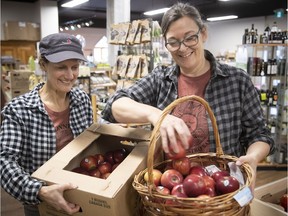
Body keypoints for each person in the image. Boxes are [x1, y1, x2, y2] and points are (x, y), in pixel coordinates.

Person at [101, 2, 274, 190]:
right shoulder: (160, 80)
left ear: (204, 34)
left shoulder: (237, 81)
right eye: (173, 42)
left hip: (224, 190)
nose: (182, 48)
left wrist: (254, 157)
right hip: (172, 193)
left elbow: (259, 134)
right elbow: (114, 106)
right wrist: (157, 116)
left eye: (190, 38)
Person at [0, 33, 93, 216]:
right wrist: (40, 191)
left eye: (75, 67)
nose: (70, 75)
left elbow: (90, 143)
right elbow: (4, 162)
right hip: (41, 204)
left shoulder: (82, 100)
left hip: (81, 195)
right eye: (61, 68)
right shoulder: (19, 109)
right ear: (43, 65)